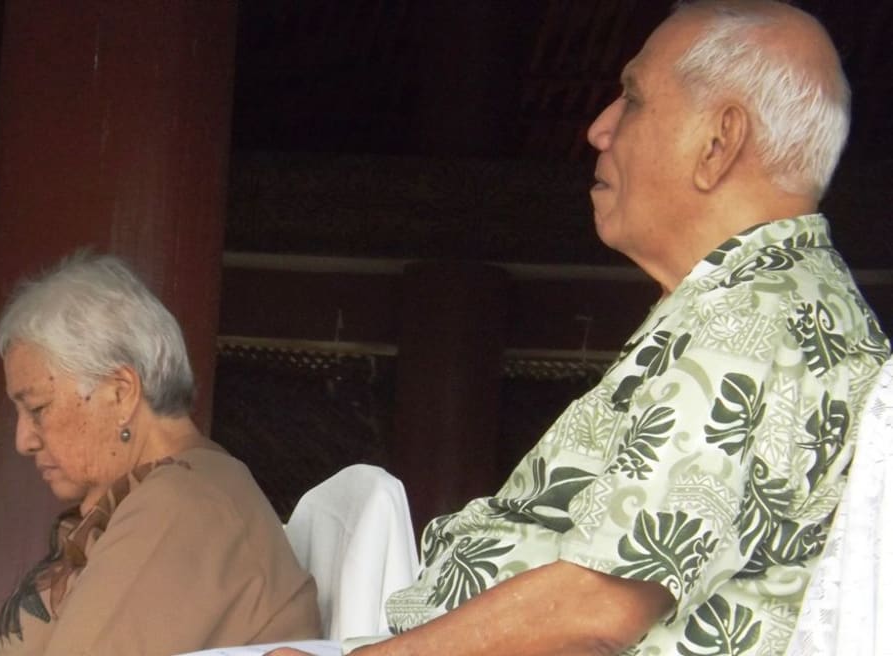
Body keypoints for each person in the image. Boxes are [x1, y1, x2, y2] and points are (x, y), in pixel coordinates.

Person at [270, 1, 890, 655]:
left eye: (633, 99)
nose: (598, 128)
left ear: (718, 142)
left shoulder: (748, 321)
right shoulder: (793, 299)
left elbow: (598, 606)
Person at [0, 251, 321, 655]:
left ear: (121, 392)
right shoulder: (161, 496)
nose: (23, 440)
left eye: (38, 408)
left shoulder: (183, 506)